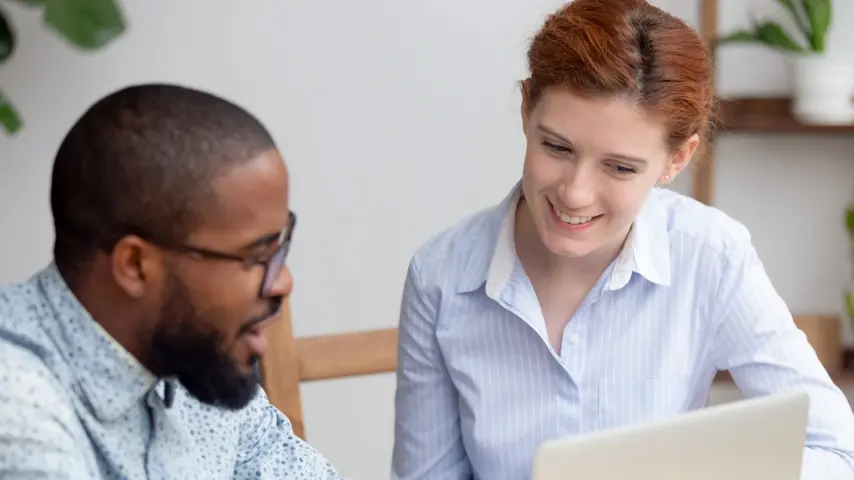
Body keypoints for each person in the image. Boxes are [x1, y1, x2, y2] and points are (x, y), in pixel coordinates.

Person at [391, 1, 854, 479]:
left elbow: (837, 452)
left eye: (620, 167)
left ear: (677, 159)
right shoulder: (440, 278)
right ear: (527, 107)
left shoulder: (712, 258)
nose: (575, 193)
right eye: (556, 147)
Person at [0, 84, 343, 479]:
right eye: (256, 257)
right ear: (136, 266)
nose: (283, 282)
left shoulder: (194, 360)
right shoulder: (18, 399)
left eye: (281, 247)